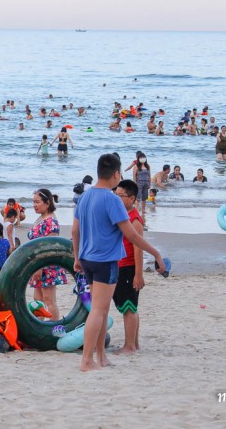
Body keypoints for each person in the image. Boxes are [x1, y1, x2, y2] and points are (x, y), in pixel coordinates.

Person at [71, 153, 166, 372]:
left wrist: (76, 258)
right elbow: (132, 236)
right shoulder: (112, 199)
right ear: (116, 174)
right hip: (105, 261)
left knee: (101, 309)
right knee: (98, 310)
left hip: (86, 259)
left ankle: (101, 357)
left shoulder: (84, 197)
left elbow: (75, 231)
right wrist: (156, 254)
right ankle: (87, 360)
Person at [111, 179, 146, 353]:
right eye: (115, 195)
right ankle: (134, 343)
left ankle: (130, 345)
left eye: (120, 196)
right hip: (120, 265)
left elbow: (138, 248)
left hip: (128, 267)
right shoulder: (123, 217)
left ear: (131, 198)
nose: (116, 199)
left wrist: (138, 274)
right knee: (130, 306)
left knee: (129, 307)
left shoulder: (135, 220)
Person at [28, 188, 68, 319]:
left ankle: (54, 330)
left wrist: (40, 268)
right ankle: (38, 329)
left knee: (48, 300)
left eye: (37, 202)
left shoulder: (51, 221)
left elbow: (50, 248)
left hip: (46, 265)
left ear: (47, 203)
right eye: (33, 202)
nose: (34, 205)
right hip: (36, 264)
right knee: (37, 299)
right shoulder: (40, 218)